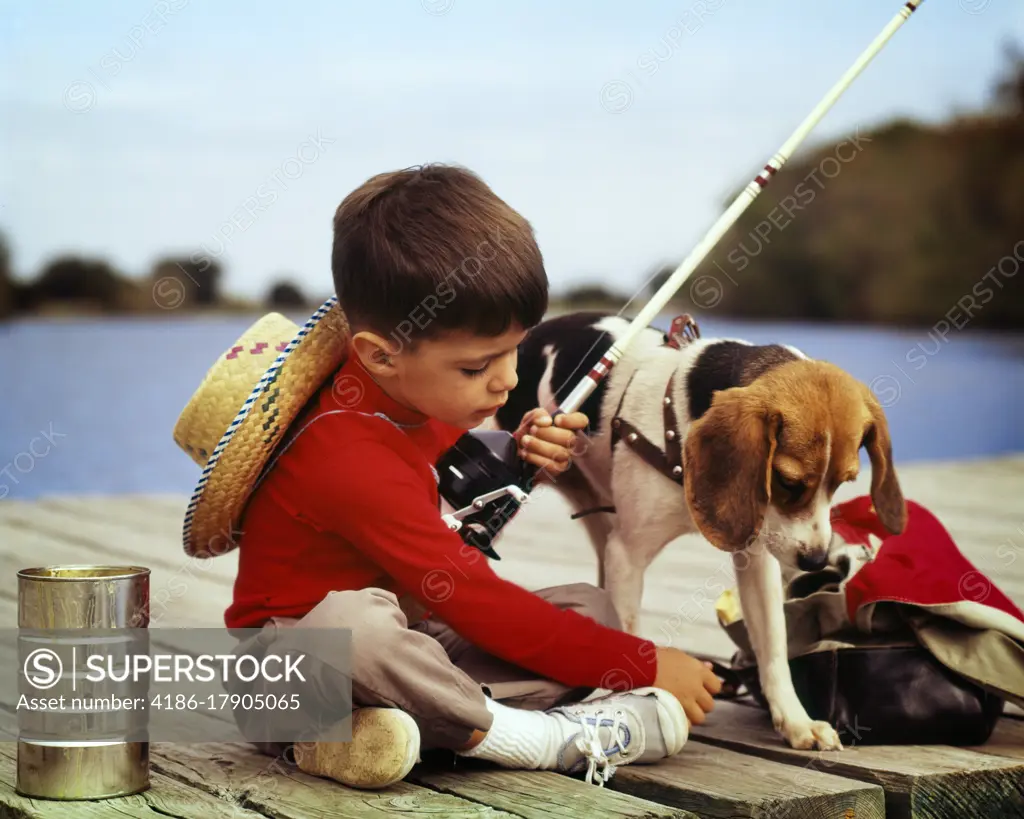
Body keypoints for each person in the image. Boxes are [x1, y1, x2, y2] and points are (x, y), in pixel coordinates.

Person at [172, 163, 722, 791]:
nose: (509, 380)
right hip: (288, 675)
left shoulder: (401, 396)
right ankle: (534, 739)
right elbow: (472, 598)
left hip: (412, 640)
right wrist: (642, 662)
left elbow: (445, 465)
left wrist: (520, 454)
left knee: (587, 608)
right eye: (476, 367)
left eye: (517, 349)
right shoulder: (343, 454)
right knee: (357, 630)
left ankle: (390, 732)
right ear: (380, 354)